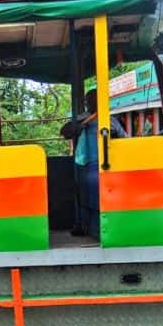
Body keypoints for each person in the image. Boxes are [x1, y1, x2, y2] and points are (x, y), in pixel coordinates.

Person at [60, 89, 127, 235]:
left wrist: (114, 136)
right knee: (84, 198)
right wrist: (81, 125)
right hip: (85, 164)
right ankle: (84, 226)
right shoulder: (82, 118)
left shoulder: (111, 120)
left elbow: (124, 139)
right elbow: (64, 131)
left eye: (93, 100)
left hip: (107, 163)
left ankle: (105, 228)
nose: (90, 103)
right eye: (88, 100)